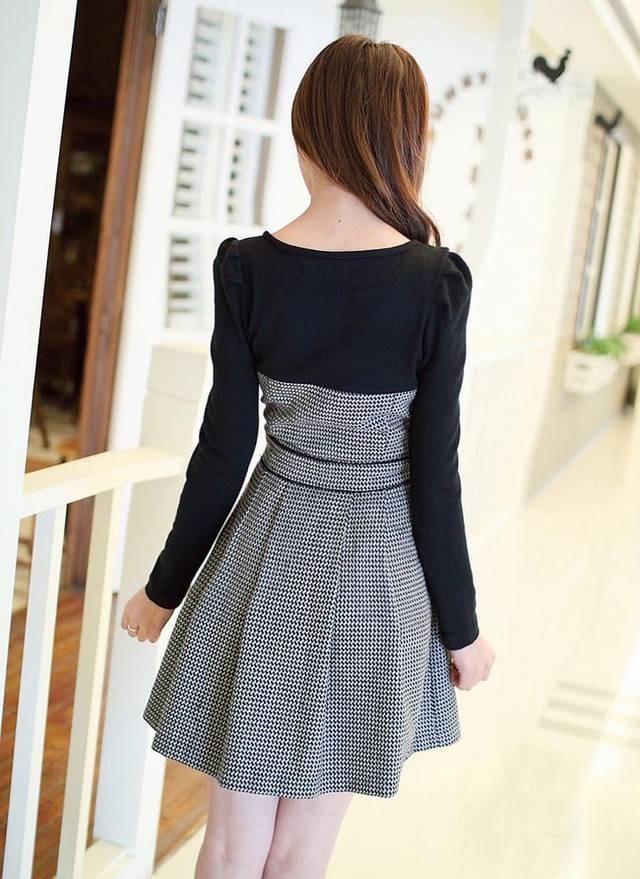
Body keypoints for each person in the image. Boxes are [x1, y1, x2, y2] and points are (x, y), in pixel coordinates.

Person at [122, 32, 495, 879]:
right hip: (379, 573)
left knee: (231, 840)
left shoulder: (246, 267)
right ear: (406, 140)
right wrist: (462, 628)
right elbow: (435, 476)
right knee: (303, 852)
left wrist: (163, 588)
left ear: (307, 131)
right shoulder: (437, 281)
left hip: (268, 559)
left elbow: (223, 451)